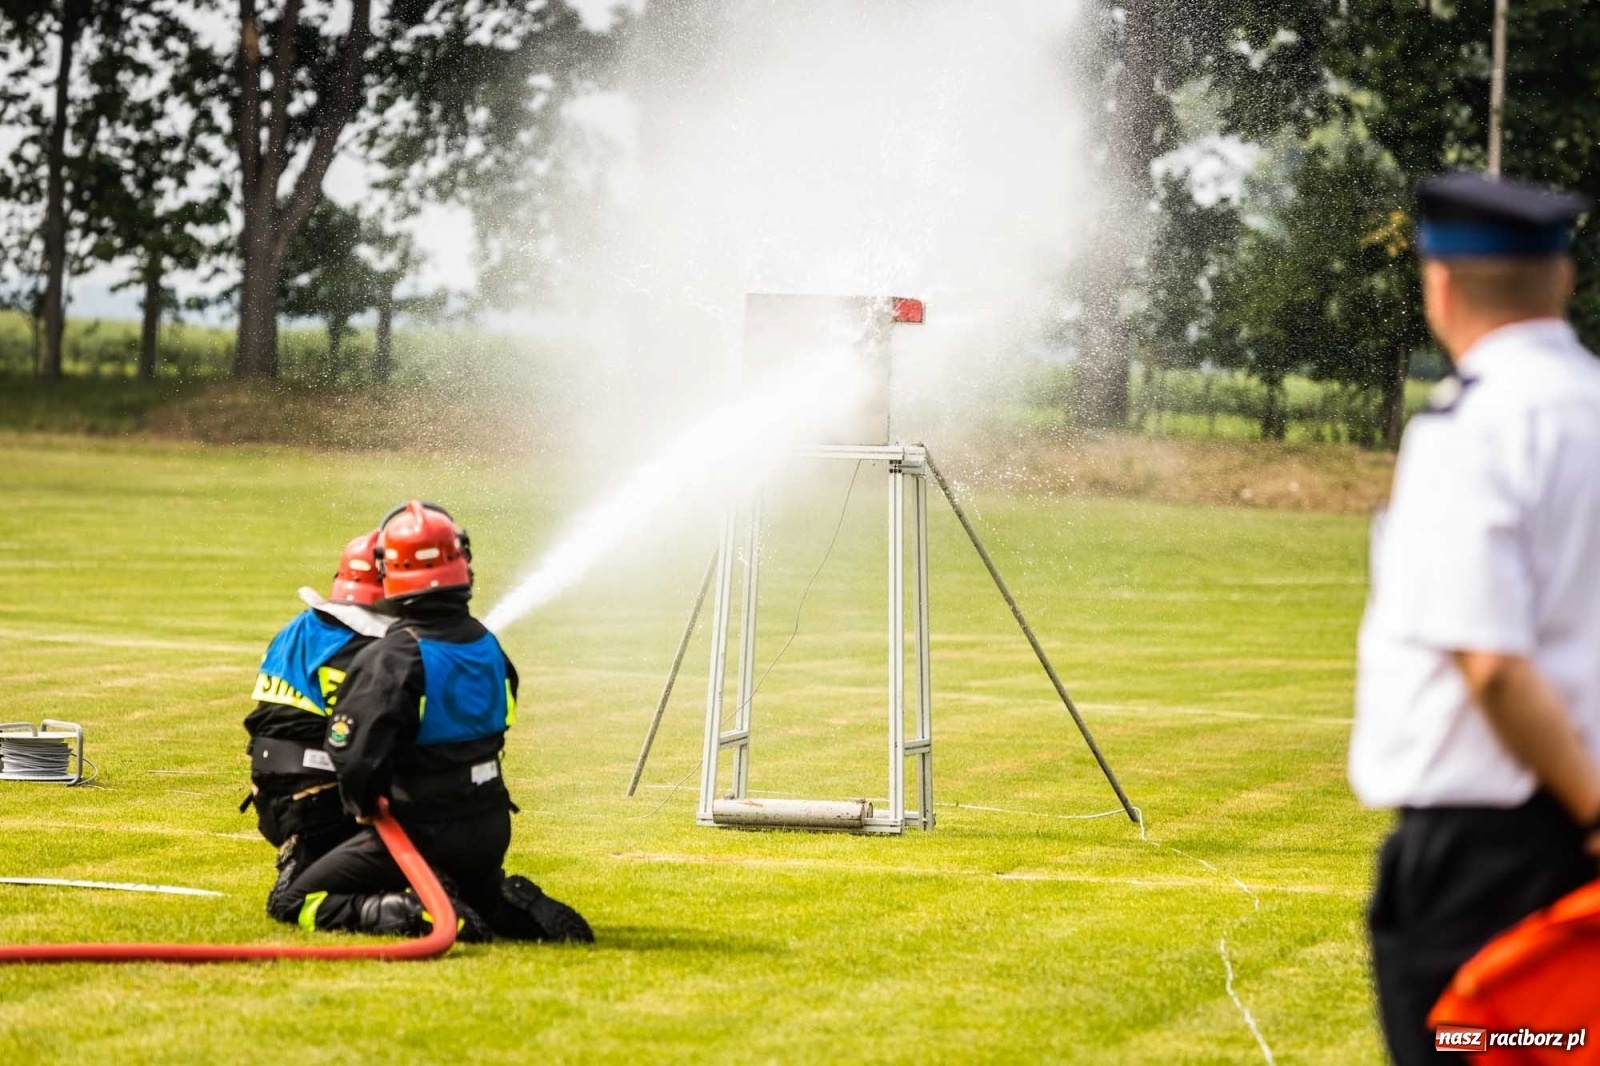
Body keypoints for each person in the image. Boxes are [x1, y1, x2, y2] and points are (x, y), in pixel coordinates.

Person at [1349, 171, 1600, 1064]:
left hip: (1490, 861)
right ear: (1562, 278)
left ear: (1441, 284)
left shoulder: (1471, 428)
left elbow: (1490, 664)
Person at [267, 500, 592, 944]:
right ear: (462, 561)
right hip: (489, 824)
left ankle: (417, 911)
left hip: (419, 828)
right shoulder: (487, 645)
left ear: (389, 570)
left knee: (293, 901)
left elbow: (354, 755)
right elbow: (501, 720)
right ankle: (508, 903)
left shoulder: (392, 656)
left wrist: (362, 806)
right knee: (477, 895)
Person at [245, 530, 391, 897]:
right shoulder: (367, 647)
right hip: (321, 802)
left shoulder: (300, 627)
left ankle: (313, 860)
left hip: (269, 790)